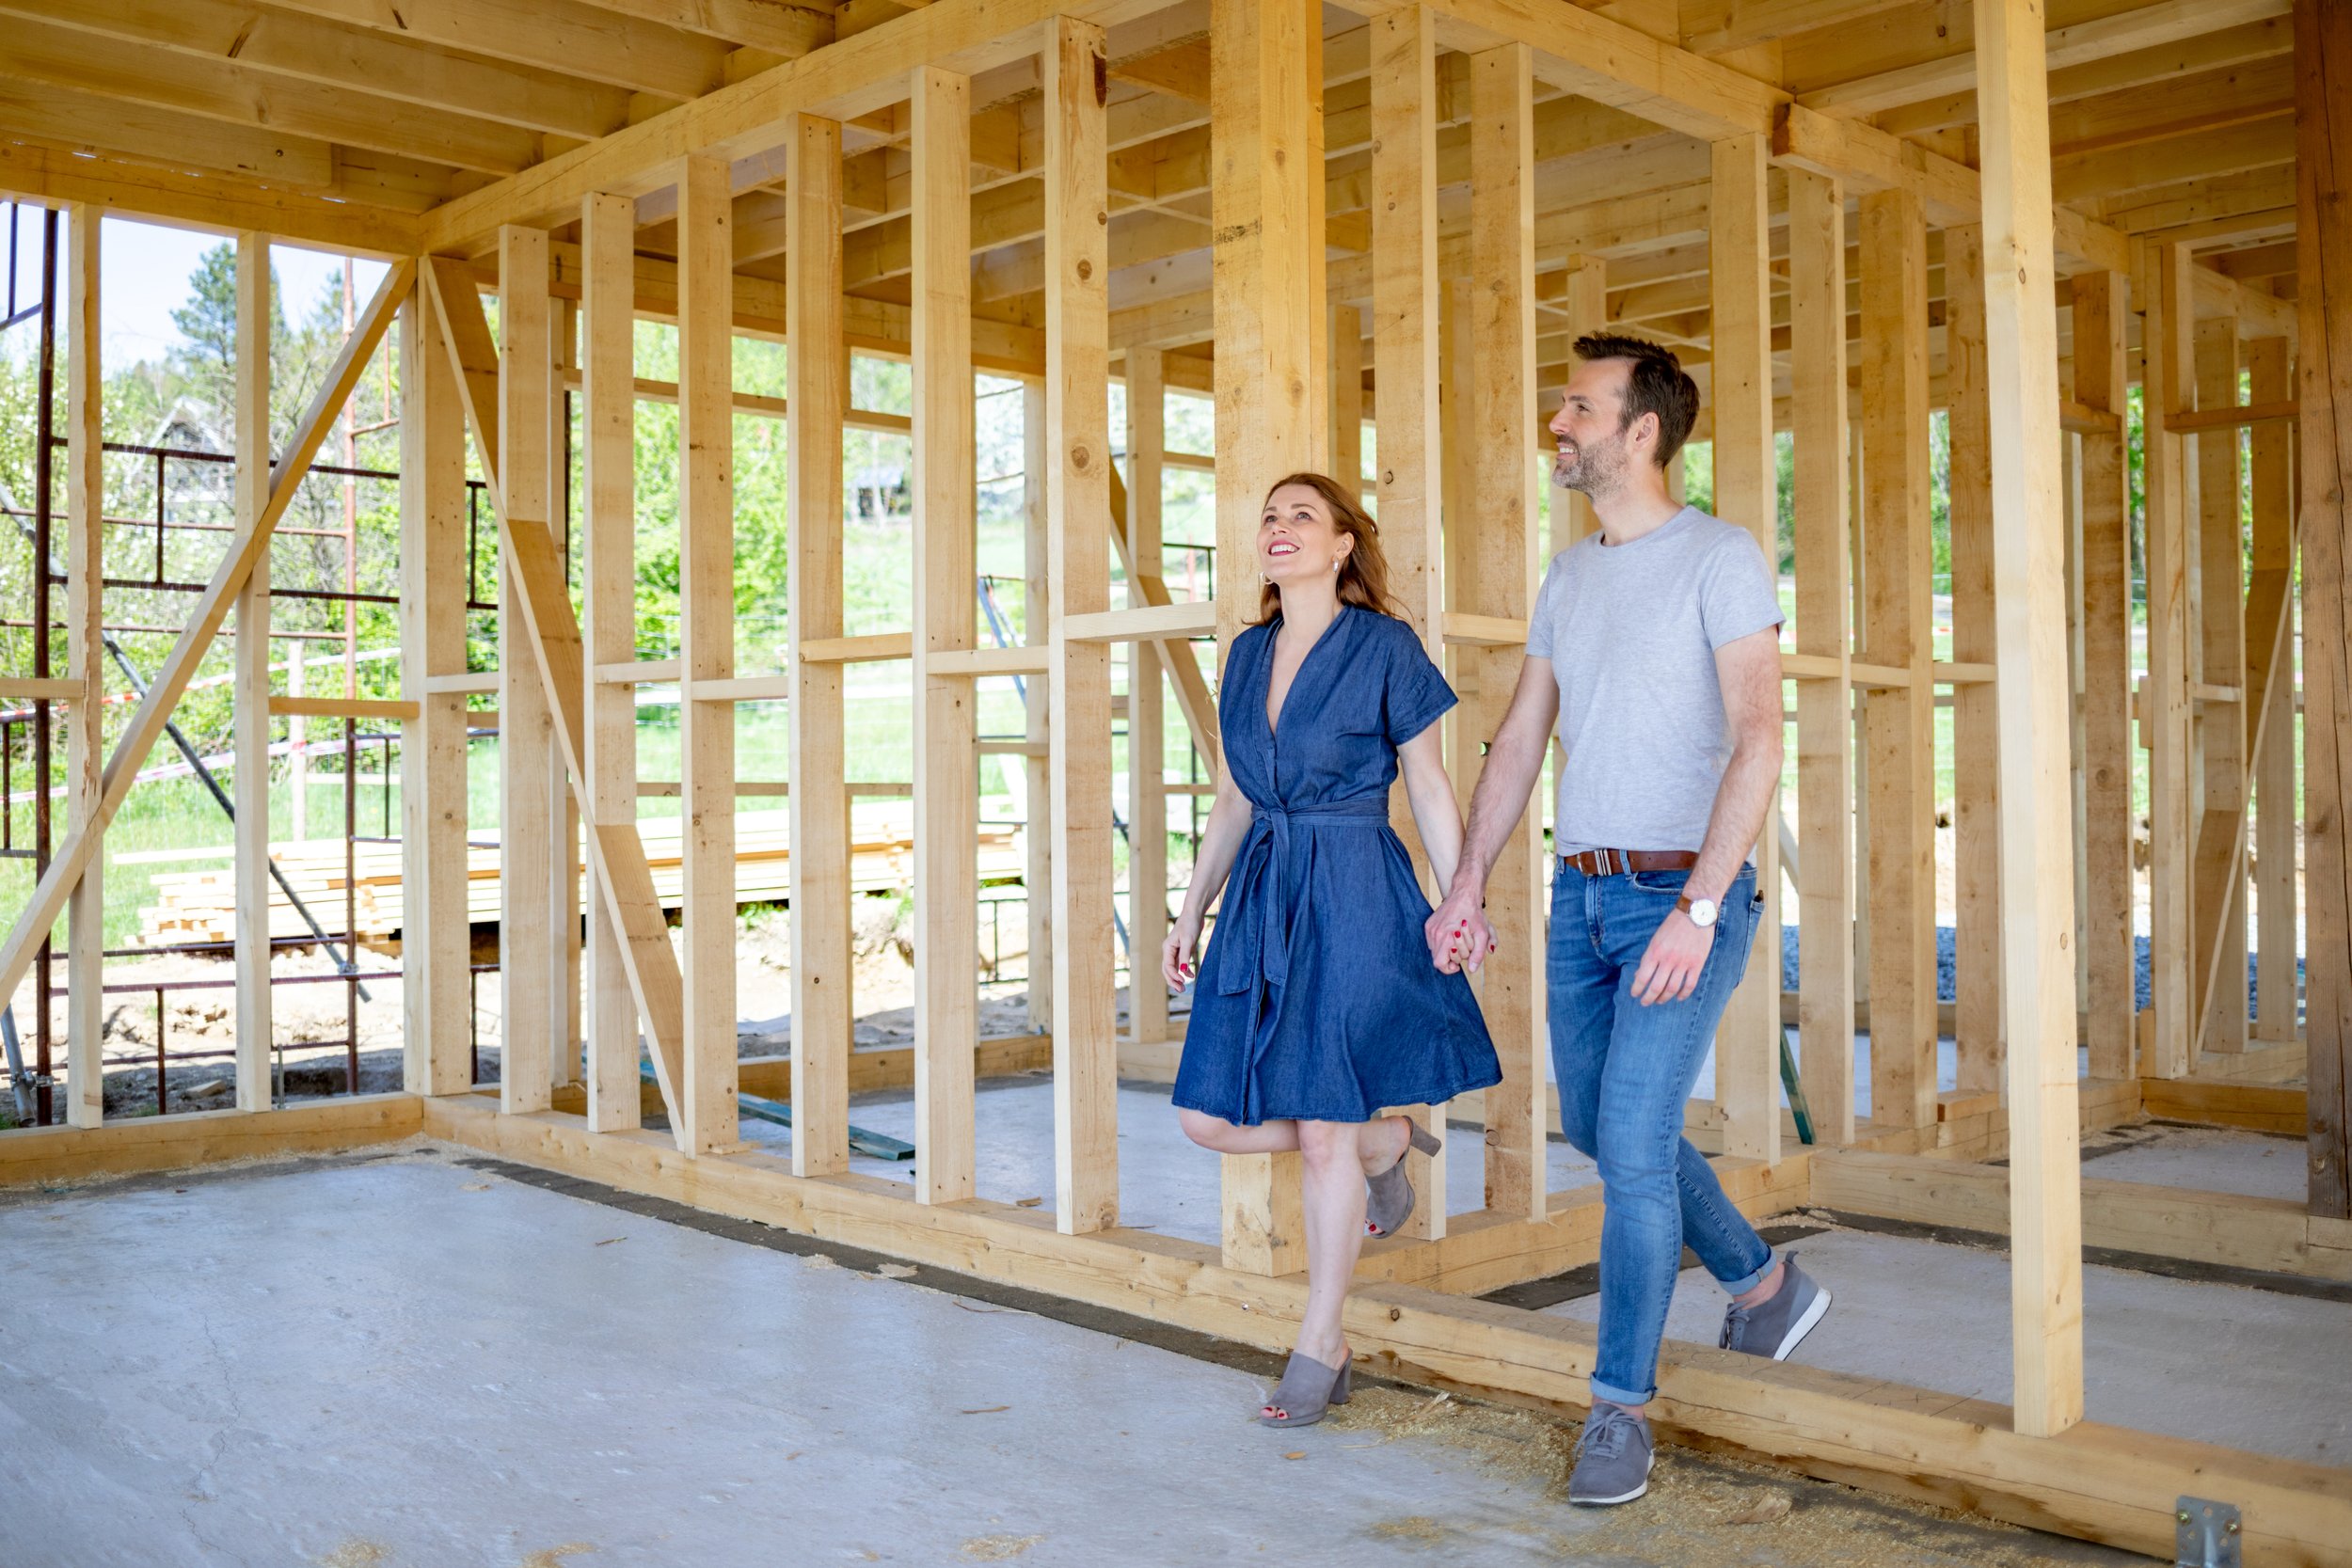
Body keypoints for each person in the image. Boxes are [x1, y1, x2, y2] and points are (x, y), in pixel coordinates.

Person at [1425, 334, 1832, 1506]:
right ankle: (1760, 1285)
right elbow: (1517, 742)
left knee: (1634, 1154)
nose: (1559, 422)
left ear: (1639, 429)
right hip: (1580, 894)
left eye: (1579, 406)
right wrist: (1464, 885)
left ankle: (1618, 1407)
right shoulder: (1570, 576)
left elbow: (1760, 736)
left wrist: (1701, 906)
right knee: (1610, 1133)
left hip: (1678, 893)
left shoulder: (1721, 555)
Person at [1163, 472, 1502, 1428]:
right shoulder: (1245, 651)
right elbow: (1233, 799)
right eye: (1268, 516)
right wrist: (1189, 910)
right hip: (1266, 887)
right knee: (1207, 1117)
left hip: (1355, 886)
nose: (1277, 528)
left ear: (1342, 543)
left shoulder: (1386, 646)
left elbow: (1428, 785)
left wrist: (1460, 895)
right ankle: (1387, 1136)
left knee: (1318, 1127)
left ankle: (1321, 1337)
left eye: (1299, 515)